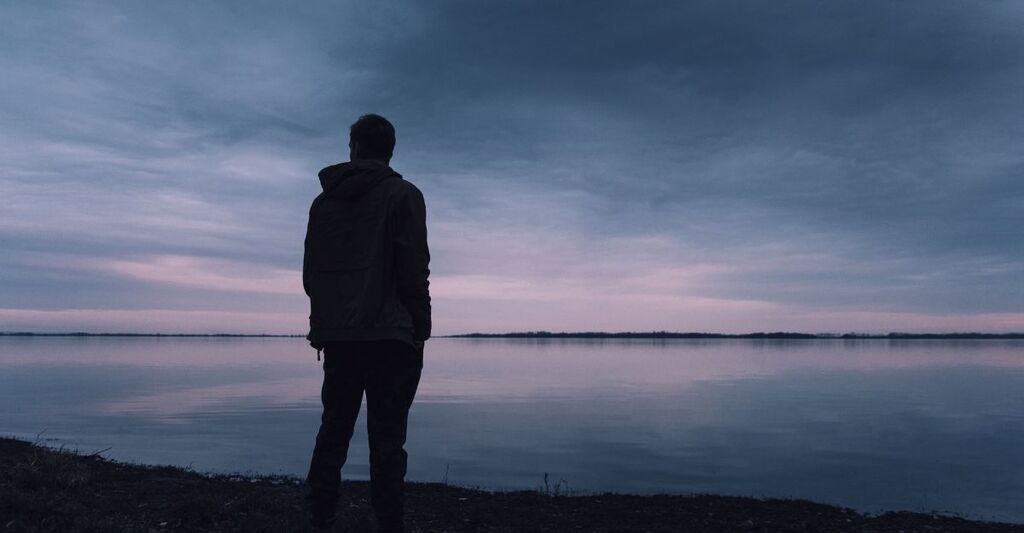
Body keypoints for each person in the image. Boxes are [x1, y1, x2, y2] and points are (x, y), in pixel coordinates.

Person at [303, 114, 431, 533]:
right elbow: (414, 268)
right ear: (390, 149)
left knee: (333, 431)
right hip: (392, 337)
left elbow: (311, 274)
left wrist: (328, 320)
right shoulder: (404, 195)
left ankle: (318, 518)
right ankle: (389, 523)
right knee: (388, 440)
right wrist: (421, 326)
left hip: (340, 337)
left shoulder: (323, 204)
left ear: (353, 147)